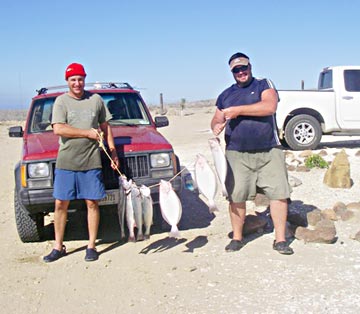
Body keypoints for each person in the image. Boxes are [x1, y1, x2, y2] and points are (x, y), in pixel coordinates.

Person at [211, 52, 294, 255]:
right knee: (236, 196)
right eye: (236, 70)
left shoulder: (263, 85)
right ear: (232, 72)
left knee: (279, 194)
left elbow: (269, 107)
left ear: (250, 67)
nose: (241, 72)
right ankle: (237, 238)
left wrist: (238, 111)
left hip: (269, 150)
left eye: (243, 68)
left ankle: (280, 240)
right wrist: (216, 126)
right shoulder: (225, 95)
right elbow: (216, 118)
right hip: (236, 154)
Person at [43, 63, 119, 262]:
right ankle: (58, 246)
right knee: (60, 204)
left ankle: (91, 246)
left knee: (92, 203)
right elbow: (58, 129)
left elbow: (106, 126)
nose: (77, 83)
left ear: (84, 79)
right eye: (73, 79)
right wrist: (86, 133)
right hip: (66, 161)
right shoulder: (61, 102)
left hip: (91, 160)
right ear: (67, 81)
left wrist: (113, 152)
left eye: (80, 79)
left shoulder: (95, 100)